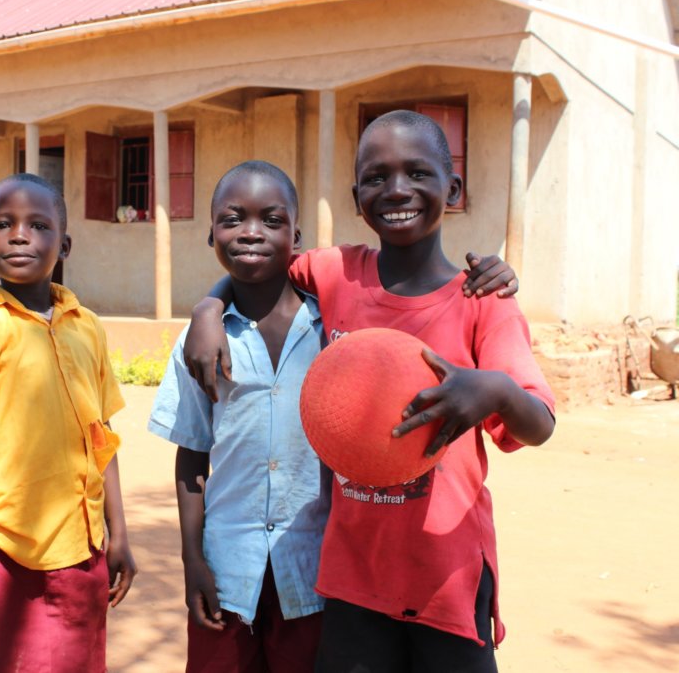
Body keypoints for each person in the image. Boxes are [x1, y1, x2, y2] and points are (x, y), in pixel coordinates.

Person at [187, 111, 555, 672]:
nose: (398, 190)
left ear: (452, 188)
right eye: (377, 177)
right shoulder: (338, 272)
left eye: (418, 173)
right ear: (357, 194)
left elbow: (540, 423)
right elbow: (255, 261)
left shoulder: (484, 303)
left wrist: (497, 390)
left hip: (446, 574)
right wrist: (209, 308)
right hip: (353, 577)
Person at [0, 173, 137, 673]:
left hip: (82, 548)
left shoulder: (86, 325)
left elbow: (102, 440)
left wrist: (119, 534)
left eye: (38, 225)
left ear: (64, 244)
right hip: (3, 549)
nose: (19, 235)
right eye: (2, 225)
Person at [149, 161, 330, 673]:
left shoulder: (330, 328)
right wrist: (192, 561)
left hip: (312, 567)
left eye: (272, 220)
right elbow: (192, 455)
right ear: (211, 233)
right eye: (233, 219)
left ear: (298, 234)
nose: (251, 232)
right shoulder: (199, 342)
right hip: (226, 570)